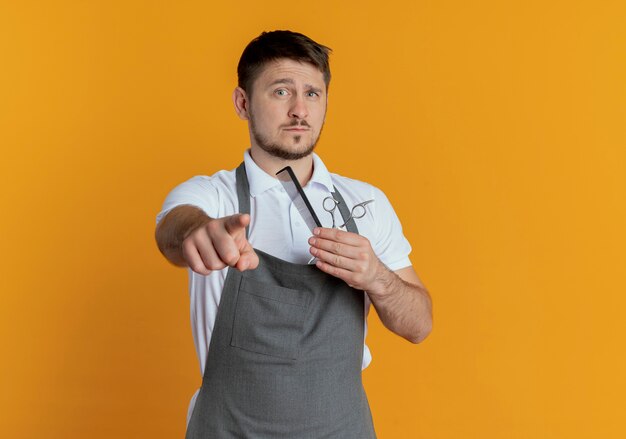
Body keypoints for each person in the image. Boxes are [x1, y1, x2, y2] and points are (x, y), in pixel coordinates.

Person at [155, 30, 432, 439]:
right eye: (281, 92)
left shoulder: (365, 203)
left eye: (313, 94)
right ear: (243, 103)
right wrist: (200, 233)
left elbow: (419, 325)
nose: (299, 110)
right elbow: (173, 229)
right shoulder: (212, 196)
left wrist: (376, 276)